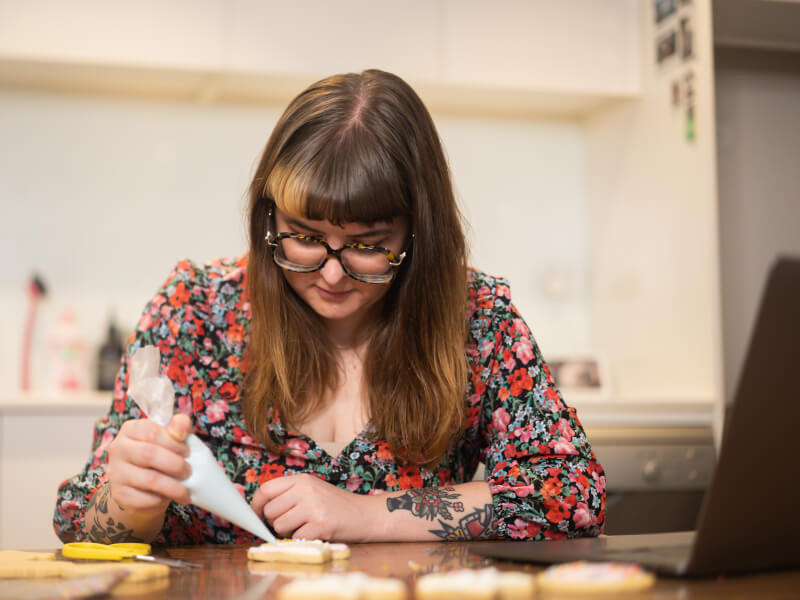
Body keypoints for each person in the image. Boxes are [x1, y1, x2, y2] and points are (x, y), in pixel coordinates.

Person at [54, 69, 606, 545]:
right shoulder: (194, 311)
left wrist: (368, 514)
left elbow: (570, 492)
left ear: (419, 233)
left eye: (368, 245)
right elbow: (80, 519)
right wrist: (128, 505)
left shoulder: (475, 316)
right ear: (269, 220)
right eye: (304, 237)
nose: (333, 273)